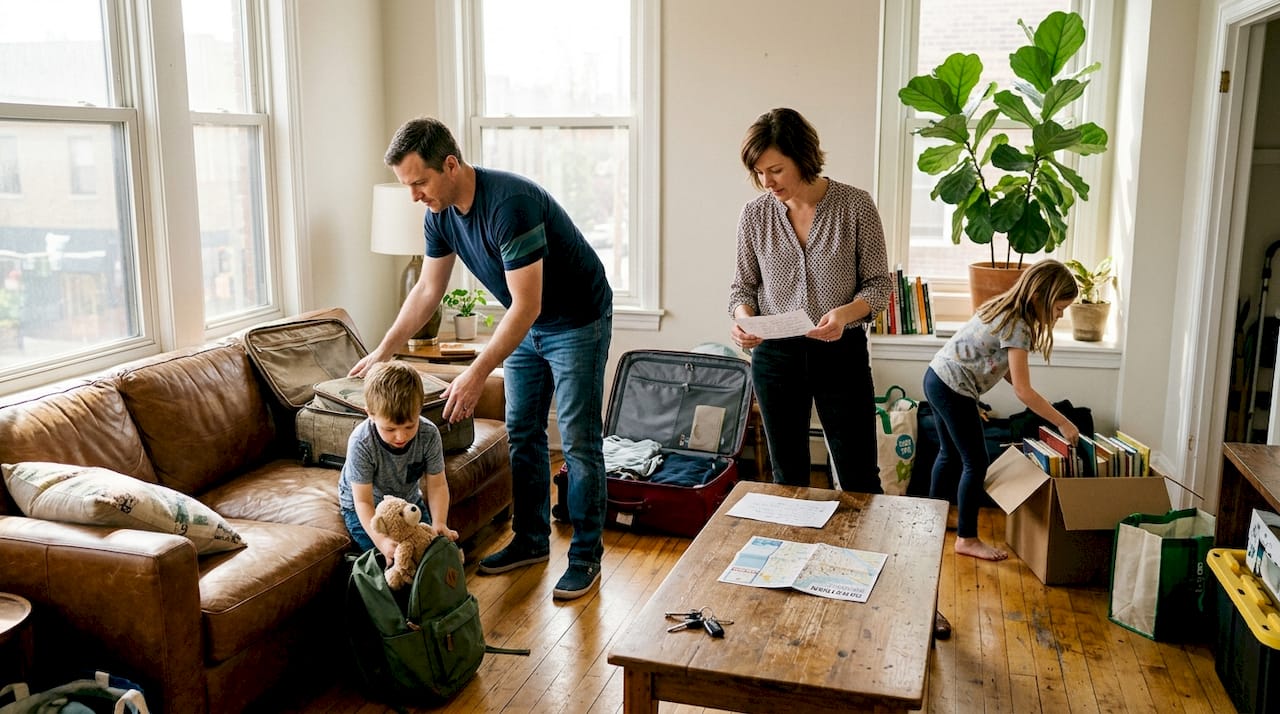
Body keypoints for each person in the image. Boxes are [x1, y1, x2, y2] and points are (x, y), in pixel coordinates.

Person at [351, 116, 613, 600]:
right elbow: (428, 290)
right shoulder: (439, 215)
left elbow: (528, 304)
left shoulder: (510, 206)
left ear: (450, 165)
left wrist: (476, 373)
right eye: (407, 186)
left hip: (576, 319)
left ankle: (585, 556)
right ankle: (531, 540)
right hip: (526, 319)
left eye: (419, 183)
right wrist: (384, 349)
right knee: (523, 432)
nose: (415, 196)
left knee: (578, 440)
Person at [727, 107, 893, 492]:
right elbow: (742, 288)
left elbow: (878, 285)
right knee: (787, 477)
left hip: (841, 352)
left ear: (803, 157)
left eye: (776, 169)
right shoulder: (754, 215)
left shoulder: (855, 206)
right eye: (759, 172)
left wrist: (844, 314)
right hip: (774, 357)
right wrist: (744, 321)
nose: (766, 182)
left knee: (859, 475)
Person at [924, 259, 1081, 561]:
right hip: (955, 388)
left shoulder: (1001, 308)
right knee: (976, 463)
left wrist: (1025, 390)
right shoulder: (1019, 326)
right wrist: (1062, 422)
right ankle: (967, 539)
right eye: (1059, 308)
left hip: (936, 378)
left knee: (949, 453)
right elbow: (1023, 390)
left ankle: (933, 517)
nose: (1060, 316)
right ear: (1040, 297)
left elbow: (1002, 366)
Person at [338, 361, 457, 561]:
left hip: (407, 501)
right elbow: (363, 501)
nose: (401, 437)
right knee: (386, 559)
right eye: (390, 429)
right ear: (370, 414)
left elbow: (437, 484)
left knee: (429, 551)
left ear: (420, 410)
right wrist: (382, 541)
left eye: (410, 426)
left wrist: (439, 522)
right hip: (366, 508)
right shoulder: (361, 442)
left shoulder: (429, 434)